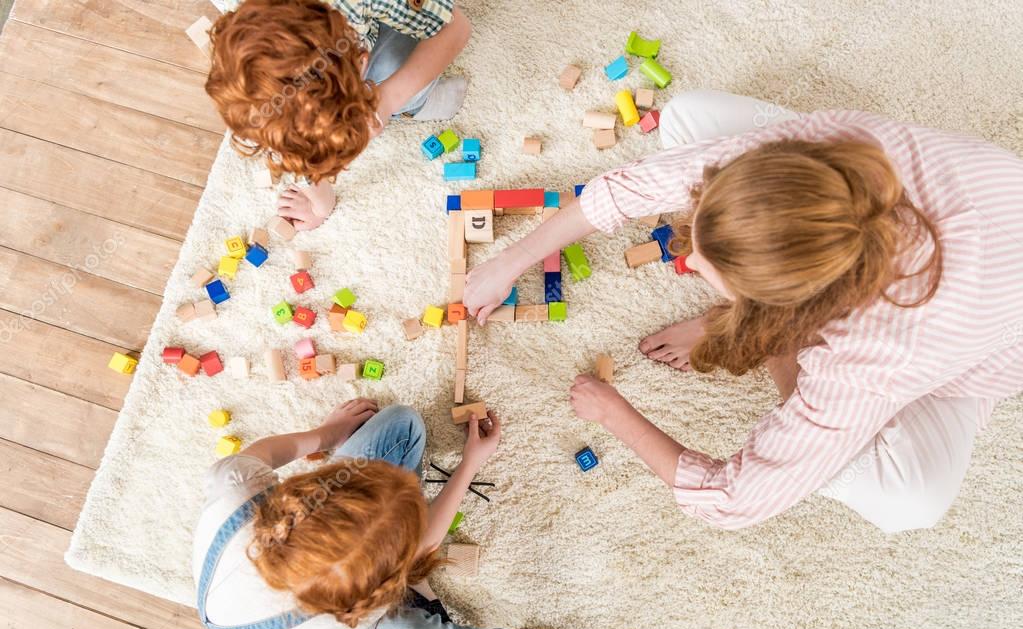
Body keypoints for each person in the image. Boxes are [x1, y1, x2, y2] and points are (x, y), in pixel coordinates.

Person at [464, 89, 1023, 533]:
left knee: (911, 503)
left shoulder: (868, 362)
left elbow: (733, 500)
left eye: (711, 274)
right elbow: (633, 187)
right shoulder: (836, 138)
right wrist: (510, 261)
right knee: (685, 118)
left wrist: (614, 412)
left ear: (793, 309)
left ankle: (778, 340)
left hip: (979, 351)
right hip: (964, 222)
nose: (689, 260)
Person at [192, 399, 625, 629]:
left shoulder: (237, 487)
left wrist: (326, 435)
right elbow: (423, 549)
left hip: (306, 581)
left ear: (321, 486)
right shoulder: (355, 610)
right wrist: (470, 463)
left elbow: (265, 454)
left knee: (402, 426)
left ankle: (403, 562)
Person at [205, 0, 471, 230]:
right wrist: (320, 205)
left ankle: (418, 102)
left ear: (361, 61)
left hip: (376, 21)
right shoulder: (243, 37)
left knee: (402, 77)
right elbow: (297, 147)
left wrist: (388, 99)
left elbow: (456, 28)